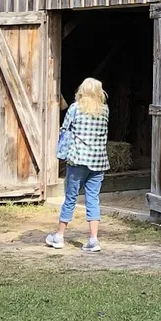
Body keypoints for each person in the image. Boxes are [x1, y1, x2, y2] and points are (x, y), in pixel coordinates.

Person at [46, 78, 110, 253]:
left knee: (70, 198)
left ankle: (59, 236)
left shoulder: (75, 108)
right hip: (98, 161)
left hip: (78, 159)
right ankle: (93, 239)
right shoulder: (105, 110)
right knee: (93, 199)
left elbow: (64, 130)